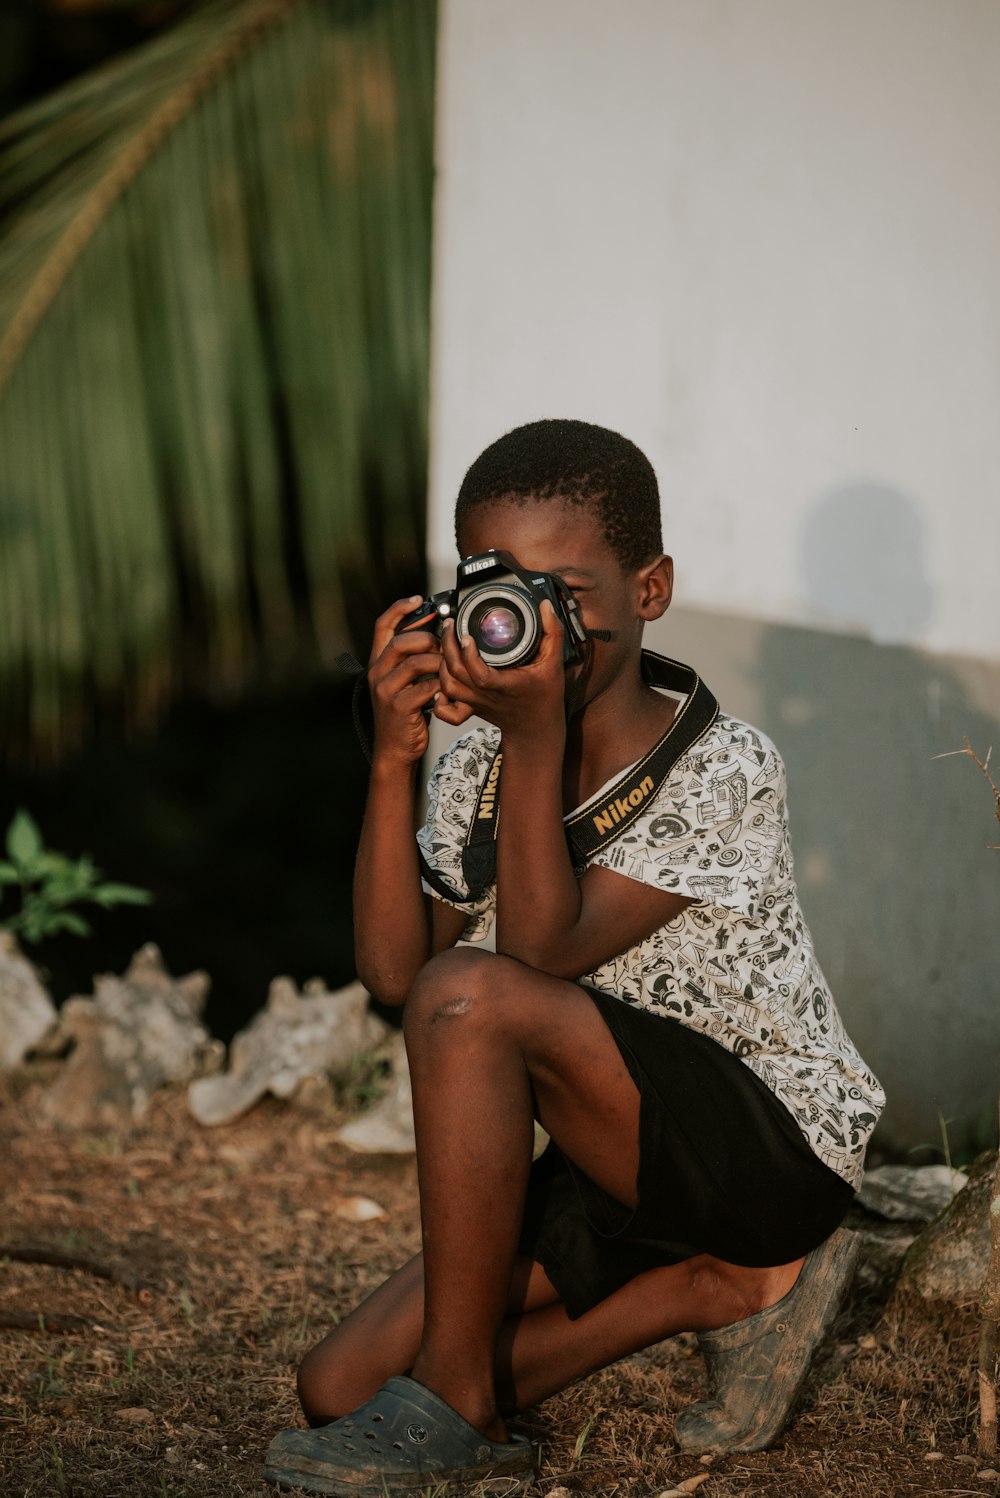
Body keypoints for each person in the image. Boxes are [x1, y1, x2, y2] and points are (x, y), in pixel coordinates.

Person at [264, 419, 884, 1496]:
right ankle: (728, 1285)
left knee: (476, 992)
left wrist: (533, 734)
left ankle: (460, 1414)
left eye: (568, 593)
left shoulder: (725, 765)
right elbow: (393, 974)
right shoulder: (478, 771)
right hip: (619, 1150)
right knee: (337, 1384)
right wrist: (395, 758)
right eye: (501, 593)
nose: (535, 624)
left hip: (766, 1142)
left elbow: (532, 959)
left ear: (650, 588)